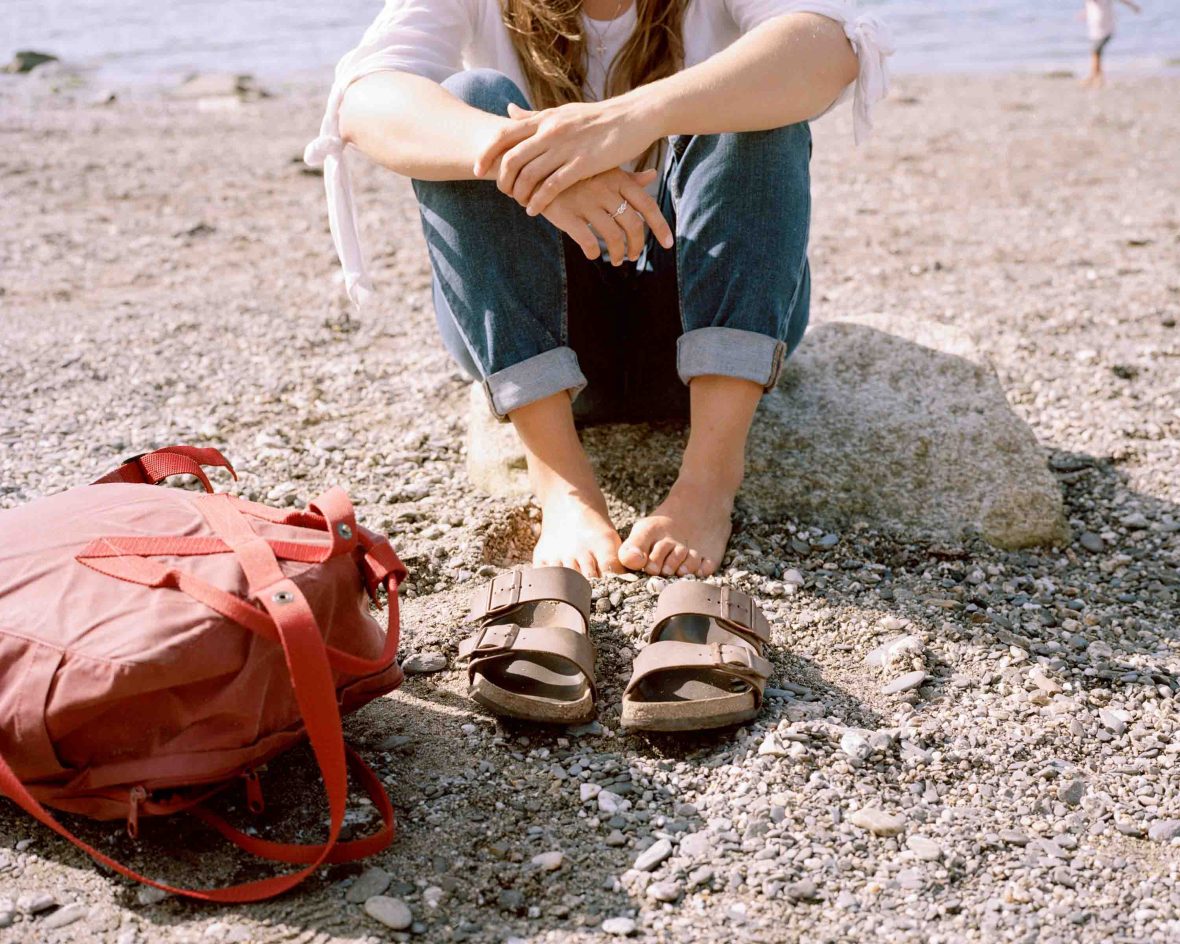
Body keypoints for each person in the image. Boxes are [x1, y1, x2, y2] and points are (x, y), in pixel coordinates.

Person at [306, 0, 892, 579]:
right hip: (536, 329)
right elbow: (366, 97)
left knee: (757, 90)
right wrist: (535, 168)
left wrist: (635, 117)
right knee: (470, 101)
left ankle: (710, 479)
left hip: (709, 311)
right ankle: (562, 484)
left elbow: (828, 45)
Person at [1083, 0, 1142, 87]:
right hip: (1097, 28)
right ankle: (1096, 76)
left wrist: (1133, 6)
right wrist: (1084, 13)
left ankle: (1096, 77)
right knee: (1096, 52)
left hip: (1104, 28)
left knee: (1096, 51)